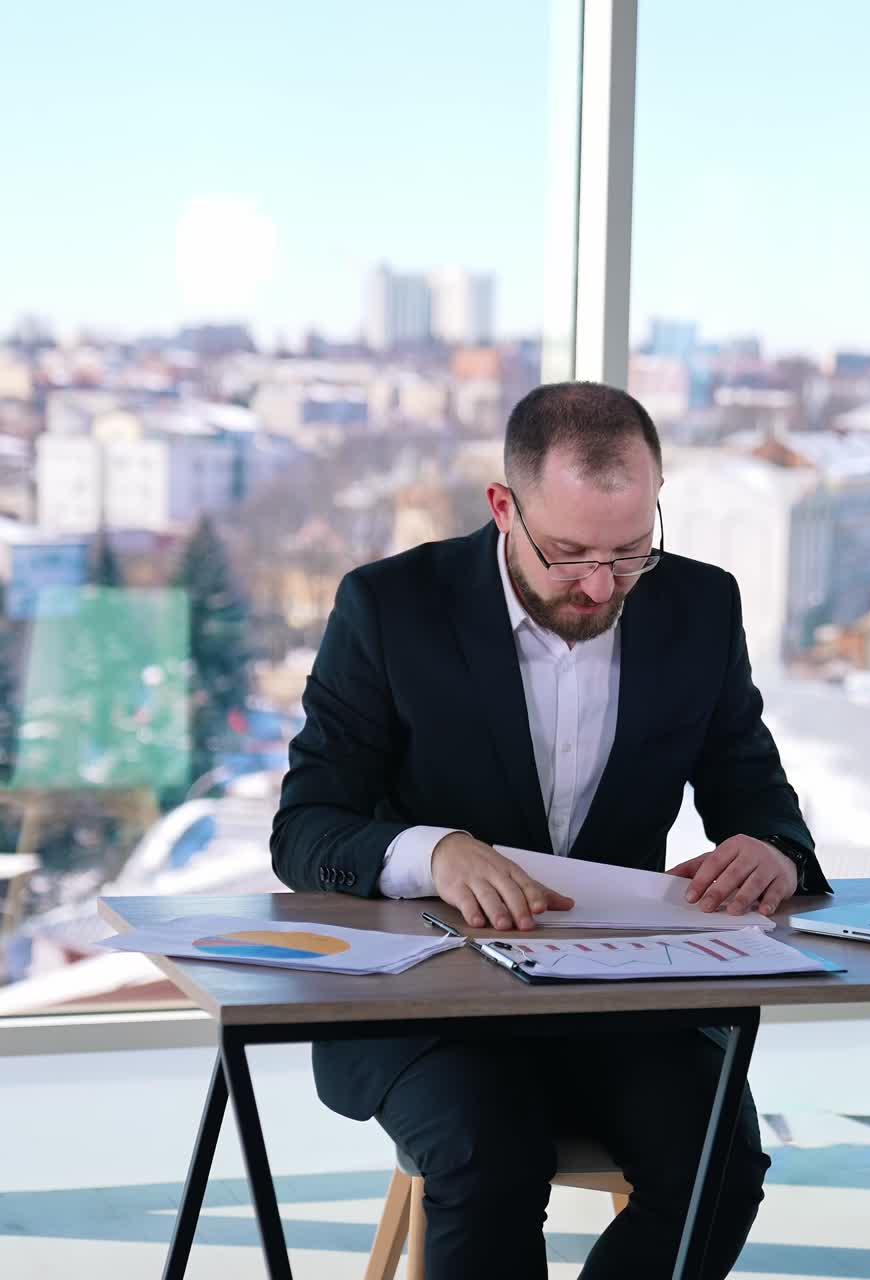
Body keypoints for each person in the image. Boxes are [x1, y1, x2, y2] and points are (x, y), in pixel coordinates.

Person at [271, 380, 831, 1279]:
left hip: (616, 1001)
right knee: (491, 1158)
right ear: (504, 507)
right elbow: (304, 832)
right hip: (427, 1004)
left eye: (630, 551)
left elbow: (755, 793)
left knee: (722, 1173)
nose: (601, 584)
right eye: (569, 553)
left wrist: (771, 849)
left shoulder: (699, 606)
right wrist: (433, 850)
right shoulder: (390, 608)